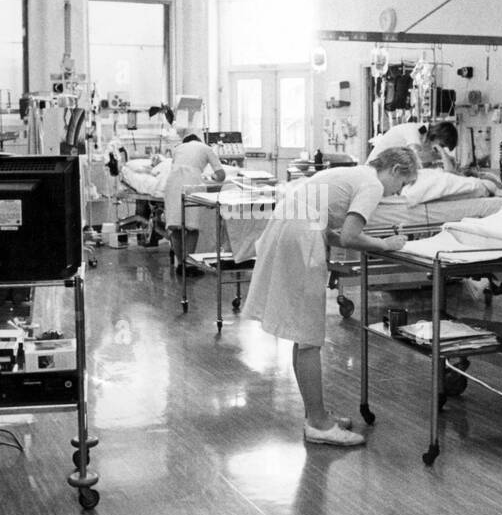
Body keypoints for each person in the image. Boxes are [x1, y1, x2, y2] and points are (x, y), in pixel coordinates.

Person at [242, 146, 419, 446]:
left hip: (289, 230)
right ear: (396, 171)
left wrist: (373, 242)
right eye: (402, 185)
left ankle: (317, 414)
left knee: (303, 334)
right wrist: (387, 245)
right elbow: (351, 236)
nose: (398, 192)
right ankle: (319, 424)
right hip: (300, 238)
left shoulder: (350, 174)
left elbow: (334, 232)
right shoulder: (373, 184)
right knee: (309, 337)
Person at [163, 134, 226, 275]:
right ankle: (189, 265)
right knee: (192, 227)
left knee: (176, 226)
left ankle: (181, 265)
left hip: (172, 184)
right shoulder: (206, 148)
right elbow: (221, 175)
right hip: (192, 183)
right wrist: (211, 177)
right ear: (199, 141)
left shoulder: (178, 148)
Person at [368, 120, 460, 172]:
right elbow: (414, 158)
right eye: (442, 145)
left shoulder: (426, 140)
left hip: (386, 170)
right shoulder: (413, 131)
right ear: (438, 135)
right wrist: (442, 156)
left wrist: (440, 162)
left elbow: (422, 167)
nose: (440, 148)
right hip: (374, 170)